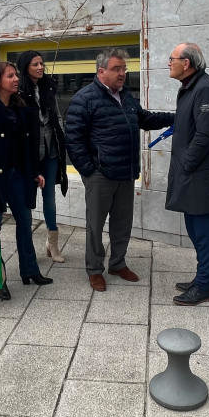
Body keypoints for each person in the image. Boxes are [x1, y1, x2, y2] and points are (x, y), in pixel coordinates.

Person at [65, 48, 174, 292]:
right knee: (95, 225)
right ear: (101, 71)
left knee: (122, 223)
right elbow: (73, 139)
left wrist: (175, 117)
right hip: (100, 175)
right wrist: (89, 171)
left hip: (126, 172)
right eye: (117, 69)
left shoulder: (126, 97)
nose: (122, 73)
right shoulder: (84, 98)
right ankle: (94, 269)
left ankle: (117, 263)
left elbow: (145, 119)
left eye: (124, 69)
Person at [0, 61, 52, 297]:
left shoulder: (20, 106)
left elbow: (27, 145)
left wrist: (34, 173)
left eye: (16, 75)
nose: (16, 79)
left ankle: (30, 270)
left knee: (25, 223)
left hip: (18, 176)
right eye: (10, 76)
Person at [165, 43, 209, 306]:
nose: (168, 63)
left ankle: (204, 285)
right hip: (194, 174)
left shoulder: (203, 89)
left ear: (187, 63)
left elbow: (205, 135)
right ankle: (206, 277)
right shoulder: (192, 87)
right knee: (195, 226)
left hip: (199, 176)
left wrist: (186, 164)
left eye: (172, 58)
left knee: (202, 229)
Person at [16, 51, 68, 263]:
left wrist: (62, 139)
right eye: (35, 64)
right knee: (28, 199)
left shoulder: (48, 86)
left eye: (41, 63)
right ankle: (27, 247)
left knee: (50, 198)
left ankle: (52, 243)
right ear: (25, 67)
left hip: (51, 150)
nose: (40, 67)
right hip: (29, 154)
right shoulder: (18, 89)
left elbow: (56, 116)